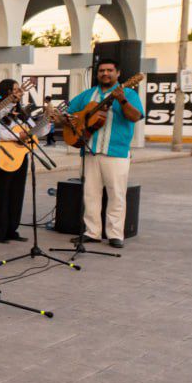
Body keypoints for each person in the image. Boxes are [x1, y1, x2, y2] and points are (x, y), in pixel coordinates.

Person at [63, 58, 142, 248]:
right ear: (97, 74)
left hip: (116, 152)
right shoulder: (88, 95)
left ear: (118, 74)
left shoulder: (129, 93)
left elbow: (136, 116)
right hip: (90, 151)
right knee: (90, 194)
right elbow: (69, 114)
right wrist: (73, 121)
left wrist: (121, 100)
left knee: (116, 194)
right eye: (101, 71)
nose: (105, 74)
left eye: (109, 70)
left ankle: (115, 234)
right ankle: (92, 232)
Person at [0, 79, 32, 244]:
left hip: (20, 155)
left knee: (16, 193)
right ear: (6, 92)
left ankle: (12, 229)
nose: (19, 93)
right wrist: (15, 136)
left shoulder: (21, 112)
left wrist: (47, 119)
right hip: (2, 155)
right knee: (1, 194)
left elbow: (34, 130)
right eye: (15, 90)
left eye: (20, 90)